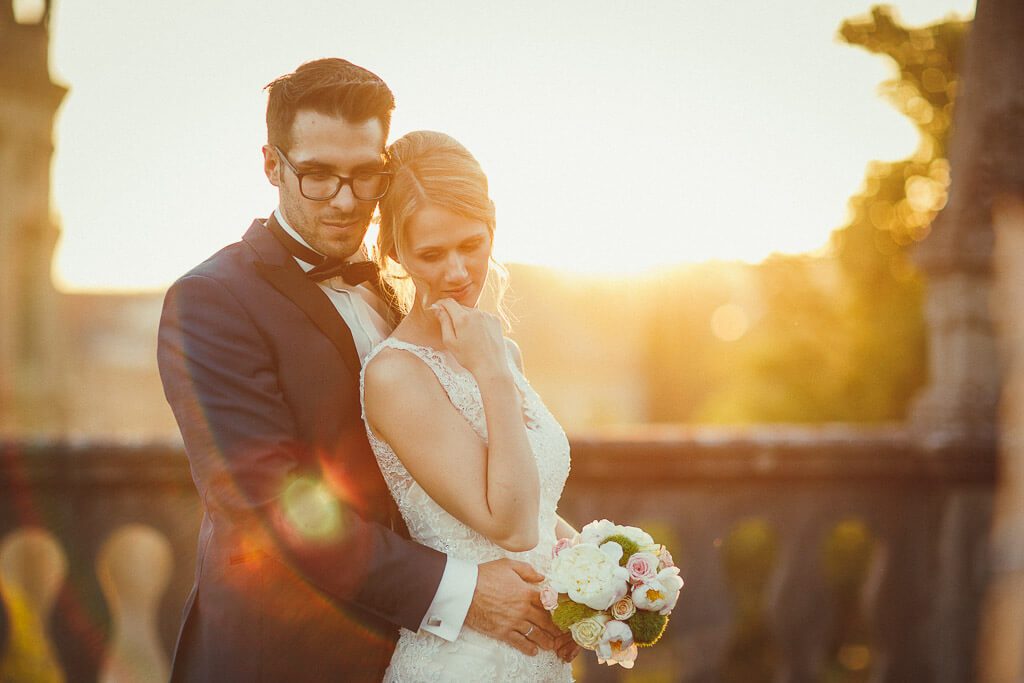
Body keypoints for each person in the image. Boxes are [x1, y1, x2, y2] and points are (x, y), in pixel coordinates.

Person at [157, 58, 564, 683]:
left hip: (414, 655)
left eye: (365, 175)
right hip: (287, 657)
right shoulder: (213, 300)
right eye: (317, 175)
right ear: (271, 165)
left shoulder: (407, 292)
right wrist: (460, 595)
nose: (346, 201)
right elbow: (267, 506)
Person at [361, 130, 579, 681]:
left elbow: (535, 503)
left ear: (493, 229)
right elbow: (509, 526)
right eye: (431, 254)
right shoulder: (396, 375)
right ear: (395, 253)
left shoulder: (502, 350)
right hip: (462, 662)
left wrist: (603, 570)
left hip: (537, 656)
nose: (457, 273)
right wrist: (491, 374)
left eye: (471, 245)